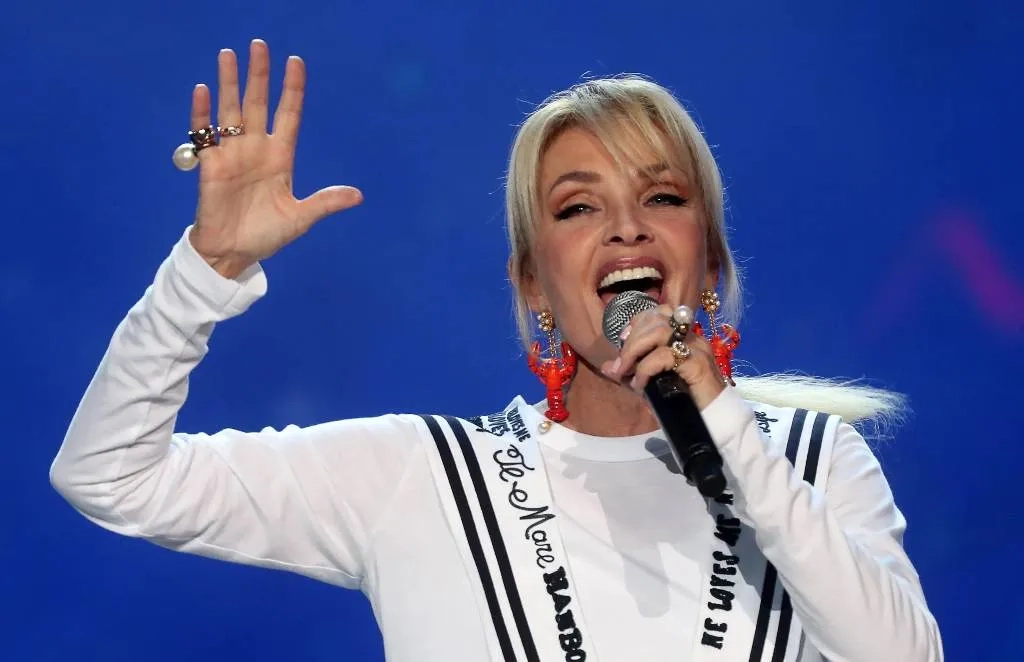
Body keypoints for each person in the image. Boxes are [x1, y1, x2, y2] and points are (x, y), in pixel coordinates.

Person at [50, 39, 943, 662]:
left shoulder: (811, 462)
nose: (627, 228)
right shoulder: (421, 480)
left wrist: (730, 431)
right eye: (578, 207)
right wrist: (206, 271)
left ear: (709, 262)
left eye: (663, 198)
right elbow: (109, 477)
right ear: (532, 286)